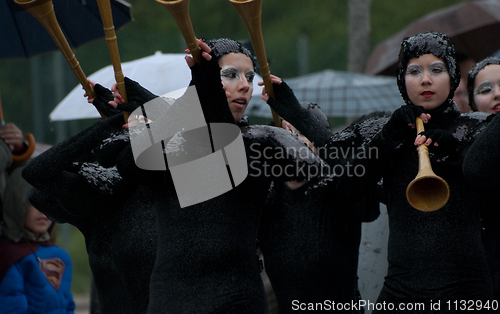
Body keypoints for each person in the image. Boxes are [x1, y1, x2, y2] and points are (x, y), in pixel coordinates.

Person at [105, 37, 324, 314]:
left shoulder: (262, 140)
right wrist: (182, 100)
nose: (245, 84)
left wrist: (168, 104)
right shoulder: (173, 142)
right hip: (171, 297)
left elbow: (317, 171)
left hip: (236, 298)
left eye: (249, 76)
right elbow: (130, 164)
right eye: (230, 75)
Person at [350, 31, 494, 311]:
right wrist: (386, 138)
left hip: (467, 291)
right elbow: (346, 189)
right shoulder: (386, 131)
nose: (425, 79)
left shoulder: (478, 126)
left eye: (436, 70)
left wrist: (458, 152)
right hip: (401, 292)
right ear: (402, 81)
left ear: (453, 76)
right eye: (414, 71)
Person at [22, 102, 157, 313]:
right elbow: (37, 176)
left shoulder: (169, 192)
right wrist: (106, 128)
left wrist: (153, 111)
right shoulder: (99, 195)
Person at [256, 100, 382, 313]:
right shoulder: (266, 200)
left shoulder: (340, 190)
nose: (294, 140)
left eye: (303, 132)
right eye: (286, 133)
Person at [0, 163, 75, 314]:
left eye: (48, 203)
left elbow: (67, 304)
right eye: (34, 203)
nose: (43, 211)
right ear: (17, 204)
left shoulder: (60, 255)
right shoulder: (8, 255)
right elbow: (12, 307)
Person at [462, 56, 500, 304]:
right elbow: (476, 169)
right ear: (472, 102)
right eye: (486, 89)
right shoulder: (464, 141)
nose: (497, 94)